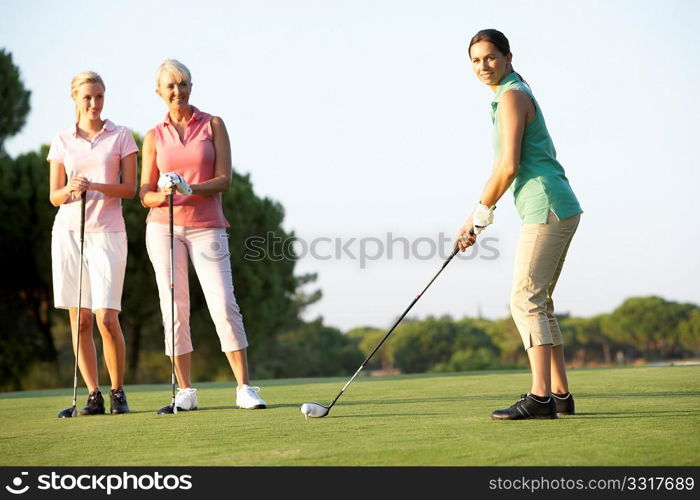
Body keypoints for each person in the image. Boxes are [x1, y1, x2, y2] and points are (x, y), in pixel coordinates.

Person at [456, 30, 583, 420]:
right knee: (540, 302)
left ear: (508, 57)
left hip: (545, 205)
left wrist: (479, 216)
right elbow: (502, 168)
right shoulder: (507, 96)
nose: (483, 66)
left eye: (490, 57)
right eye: (476, 60)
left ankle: (540, 397)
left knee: (525, 299)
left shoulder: (512, 96)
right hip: (554, 204)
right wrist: (477, 216)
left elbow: (508, 166)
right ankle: (559, 394)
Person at [140, 59, 266, 412]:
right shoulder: (153, 135)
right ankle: (185, 391)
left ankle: (244, 387)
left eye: (183, 84)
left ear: (191, 88)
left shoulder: (213, 125)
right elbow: (143, 193)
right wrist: (163, 191)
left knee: (224, 304)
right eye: (170, 86)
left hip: (207, 226)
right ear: (159, 93)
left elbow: (224, 179)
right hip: (162, 228)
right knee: (174, 308)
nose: (177, 91)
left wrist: (189, 186)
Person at [48, 71, 137, 415]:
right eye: (88, 97)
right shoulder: (61, 140)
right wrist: (71, 188)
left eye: (99, 96)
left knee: (106, 318)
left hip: (108, 233)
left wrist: (97, 186)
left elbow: (129, 188)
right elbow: (54, 196)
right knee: (80, 319)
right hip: (69, 233)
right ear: (75, 99)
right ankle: (93, 395)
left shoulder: (122, 136)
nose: (94, 103)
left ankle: (118, 392)